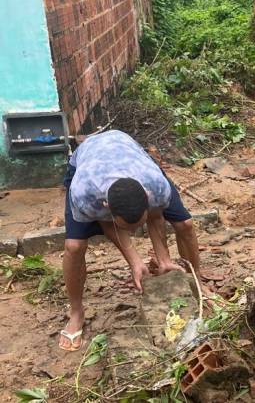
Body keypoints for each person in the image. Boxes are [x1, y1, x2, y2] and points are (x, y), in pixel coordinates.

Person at [59, 130, 200, 351]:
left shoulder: (155, 186)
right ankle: (76, 312)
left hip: (130, 154)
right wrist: (135, 262)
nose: (134, 231)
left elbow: (155, 216)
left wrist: (163, 259)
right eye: (127, 226)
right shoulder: (84, 194)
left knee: (185, 225)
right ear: (107, 208)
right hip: (87, 162)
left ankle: (197, 284)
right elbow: (106, 224)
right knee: (74, 246)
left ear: (146, 197)